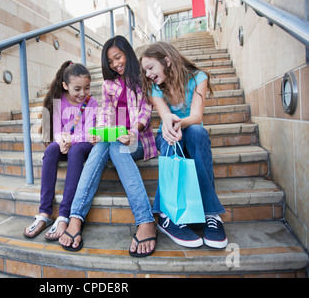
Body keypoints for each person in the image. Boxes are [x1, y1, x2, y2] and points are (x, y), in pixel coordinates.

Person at [59, 36, 158, 257]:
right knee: (106, 144)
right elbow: (105, 112)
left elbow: (146, 110)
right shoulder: (108, 85)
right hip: (114, 140)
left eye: (118, 57)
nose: (115, 64)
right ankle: (76, 218)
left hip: (137, 140)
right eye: (110, 61)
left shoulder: (143, 78)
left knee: (114, 146)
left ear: (128, 54)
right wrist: (102, 130)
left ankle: (145, 220)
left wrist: (133, 132)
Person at [139, 42, 228, 249]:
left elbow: (196, 117)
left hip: (191, 131)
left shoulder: (198, 78)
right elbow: (164, 114)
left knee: (197, 132)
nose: (148, 73)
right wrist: (171, 125)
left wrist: (179, 124)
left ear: (166, 61)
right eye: (145, 70)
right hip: (169, 133)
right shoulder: (154, 87)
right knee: (170, 139)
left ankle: (210, 214)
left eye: (151, 67)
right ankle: (168, 216)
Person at [23, 61, 98, 241]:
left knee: (75, 152)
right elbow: (57, 130)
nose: (82, 93)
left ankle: (64, 214)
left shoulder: (92, 102)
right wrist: (61, 140)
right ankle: (44, 213)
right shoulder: (59, 102)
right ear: (65, 86)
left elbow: (88, 133)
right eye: (77, 89)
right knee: (50, 151)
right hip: (67, 141)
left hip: (83, 144)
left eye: (86, 88)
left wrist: (70, 140)